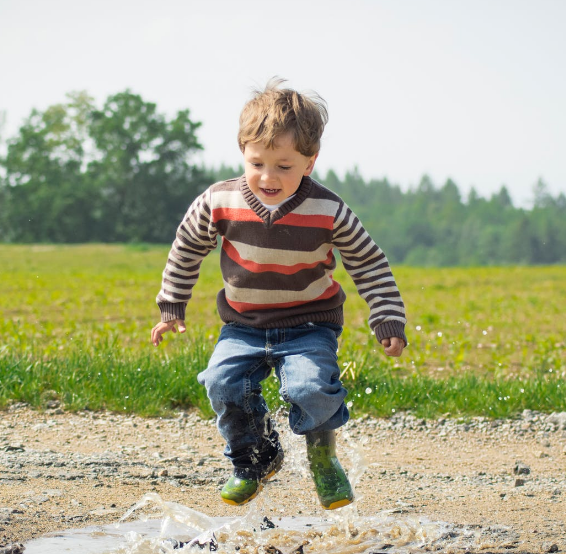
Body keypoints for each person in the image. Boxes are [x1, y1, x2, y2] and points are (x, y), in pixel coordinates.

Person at [151, 78, 408, 510]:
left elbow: (368, 263)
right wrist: (172, 304)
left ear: (310, 162)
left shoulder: (330, 210)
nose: (268, 177)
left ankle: (323, 455)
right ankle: (256, 459)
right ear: (243, 153)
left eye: (284, 166)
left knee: (309, 389)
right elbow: (187, 247)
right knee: (221, 383)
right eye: (257, 163)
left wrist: (387, 318)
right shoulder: (219, 200)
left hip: (310, 325)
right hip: (243, 325)